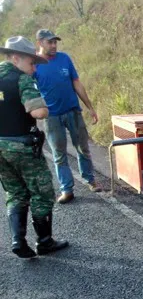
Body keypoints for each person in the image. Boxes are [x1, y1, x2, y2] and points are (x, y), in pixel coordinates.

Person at [0, 36, 68, 257]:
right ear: (16, 58)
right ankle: (45, 241)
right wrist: (43, 105)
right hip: (22, 147)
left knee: (15, 192)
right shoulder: (21, 80)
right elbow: (38, 112)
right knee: (41, 192)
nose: (33, 68)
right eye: (32, 63)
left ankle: (18, 240)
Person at [34, 28, 101, 204]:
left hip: (73, 111)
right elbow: (30, 93)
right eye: (50, 42)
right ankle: (67, 190)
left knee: (83, 148)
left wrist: (90, 107)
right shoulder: (34, 64)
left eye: (55, 41)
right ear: (40, 43)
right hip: (52, 117)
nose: (54, 45)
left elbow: (76, 83)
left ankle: (90, 179)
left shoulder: (64, 58)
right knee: (59, 154)